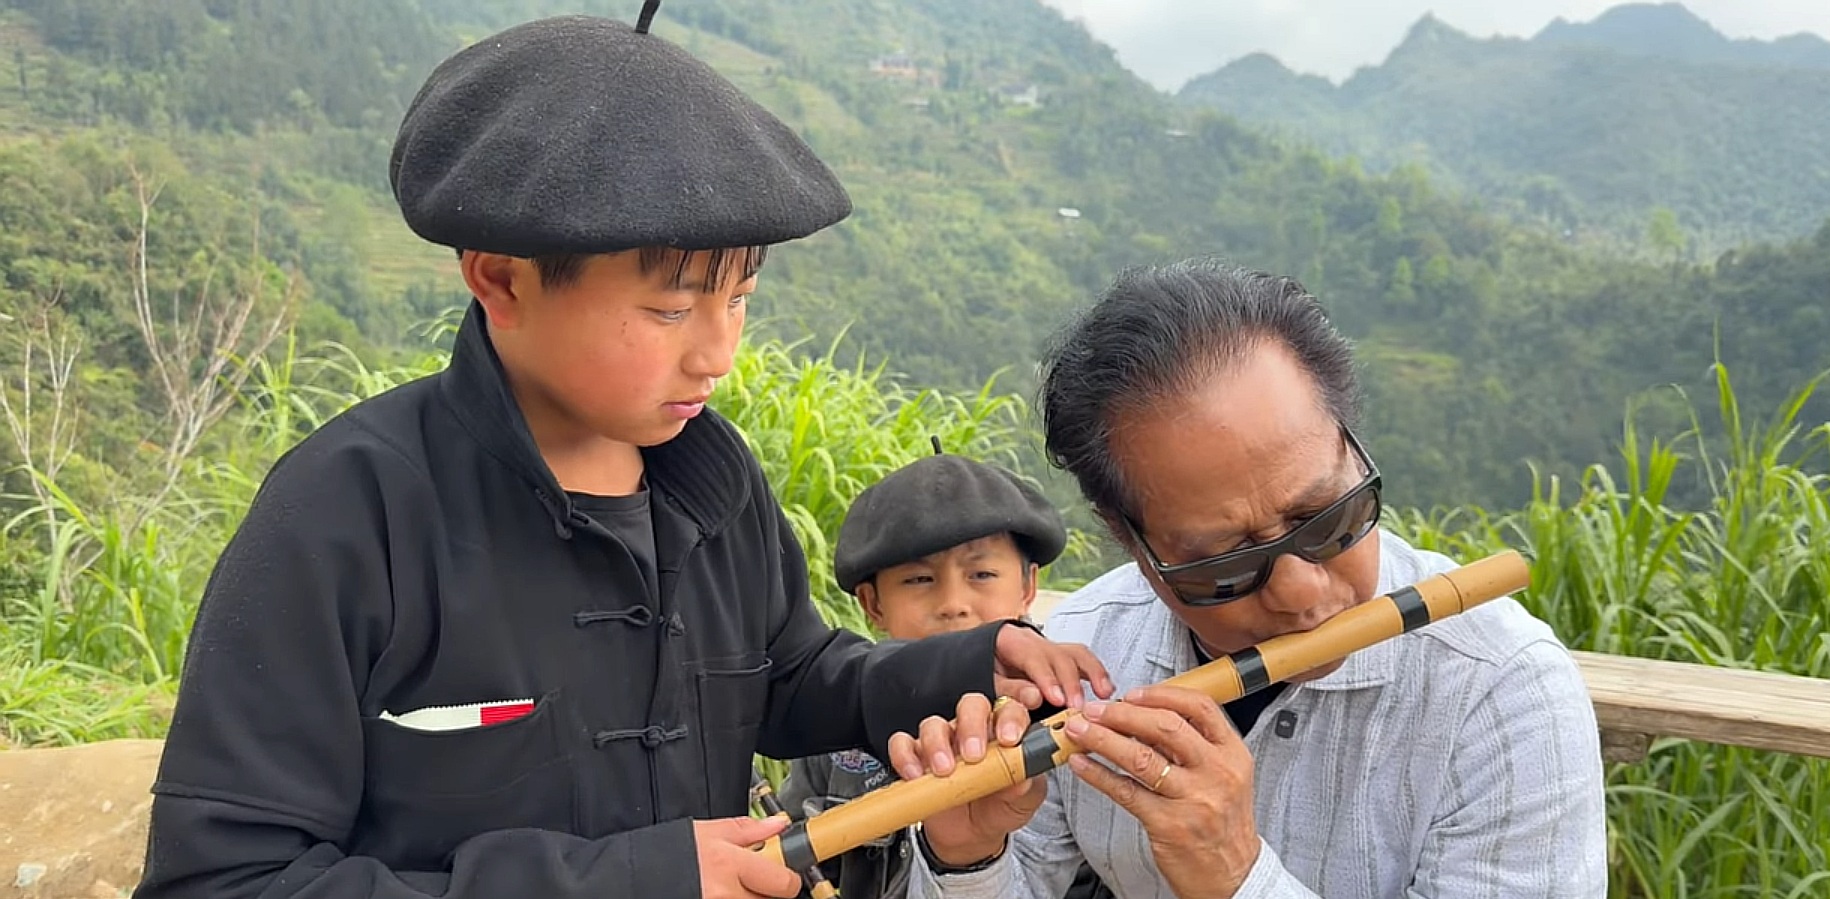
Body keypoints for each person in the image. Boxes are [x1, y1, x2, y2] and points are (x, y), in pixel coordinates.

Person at [131, 9, 1110, 899]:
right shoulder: (350, 515)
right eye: (670, 305)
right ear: (502, 279)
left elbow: (787, 675)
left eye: (740, 296)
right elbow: (224, 877)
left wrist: (969, 662)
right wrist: (630, 877)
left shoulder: (708, 481)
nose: (718, 351)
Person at [888, 258, 1609, 897]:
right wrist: (965, 857)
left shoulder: (1504, 695)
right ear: (1130, 540)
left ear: (1354, 449)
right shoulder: (1084, 650)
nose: (1301, 590)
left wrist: (1235, 875)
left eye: (1328, 517)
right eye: (1225, 561)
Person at [772, 443, 1070, 899]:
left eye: (982, 575)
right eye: (919, 580)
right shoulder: (838, 715)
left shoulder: (1059, 720)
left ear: (1028, 585)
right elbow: (792, 855)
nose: (953, 604)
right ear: (872, 604)